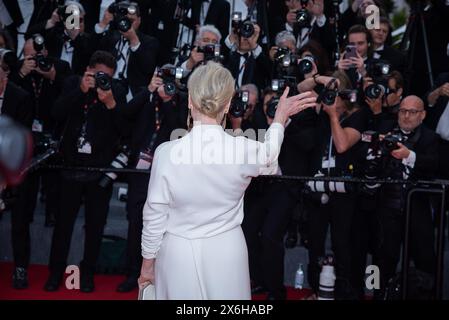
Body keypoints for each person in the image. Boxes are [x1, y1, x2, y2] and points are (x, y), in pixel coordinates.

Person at [137, 61, 316, 299]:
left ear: (190, 101)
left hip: (176, 253)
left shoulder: (166, 153)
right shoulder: (242, 150)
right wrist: (279, 119)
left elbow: (154, 216)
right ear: (228, 105)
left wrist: (147, 264)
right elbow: (270, 156)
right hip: (227, 251)